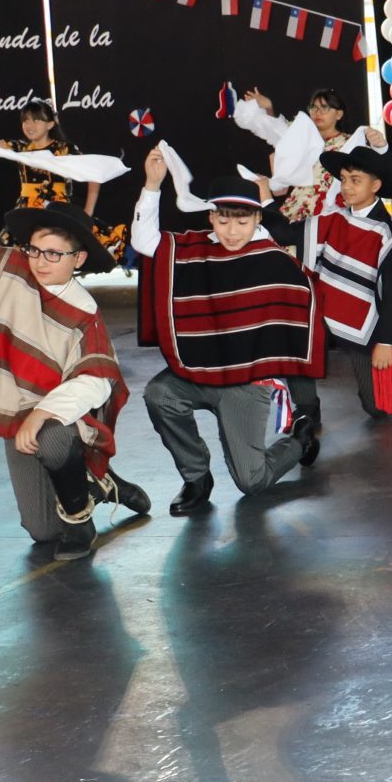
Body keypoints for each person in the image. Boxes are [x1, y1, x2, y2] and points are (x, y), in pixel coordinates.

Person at [0, 136, 145, 557]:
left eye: (54, 254)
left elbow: (95, 381)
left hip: (62, 419)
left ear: (78, 259)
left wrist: (42, 413)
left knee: (53, 436)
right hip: (17, 414)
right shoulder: (8, 270)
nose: (41, 261)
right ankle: (98, 481)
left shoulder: (84, 310)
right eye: (35, 249)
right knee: (42, 531)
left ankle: (80, 518)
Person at [132, 152, 323, 516]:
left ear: (257, 219)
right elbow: (144, 242)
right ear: (211, 218)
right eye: (223, 221)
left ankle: (300, 439)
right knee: (159, 393)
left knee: (251, 481)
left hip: (246, 383)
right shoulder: (192, 250)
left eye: (242, 221)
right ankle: (196, 477)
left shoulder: (271, 257)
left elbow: (302, 313)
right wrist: (152, 185)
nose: (232, 232)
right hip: (199, 371)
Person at [297, 141, 392, 427]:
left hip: (370, 325)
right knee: (293, 329)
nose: (347, 187)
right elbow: (288, 232)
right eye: (343, 180)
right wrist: (261, 204)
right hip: (331, 311)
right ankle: (305, 406)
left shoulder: (388, 235)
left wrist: (386, 343)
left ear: (375, 186)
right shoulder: (335, 218)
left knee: (376, 407)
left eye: (355, 180)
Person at [0, 94, 128, 260]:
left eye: (36, 120)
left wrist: (88, 211)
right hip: (25, 211)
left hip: (57, 211)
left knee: (53, 253)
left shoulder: (64, 149)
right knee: (12, 258)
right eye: (26, 120)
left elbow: (94, 173)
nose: (29, 125)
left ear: (50, 124)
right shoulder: (20, 148)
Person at [234, 86, 386, 225]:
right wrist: (268, 108)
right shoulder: (302, 136)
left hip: (330, 210)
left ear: (339, 114)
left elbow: (372, 170)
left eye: (324, 107)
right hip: (297, 204)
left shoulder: (350, 143)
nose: (317, 112)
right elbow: (279, 132)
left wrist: (379, 144)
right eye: (313, 107)